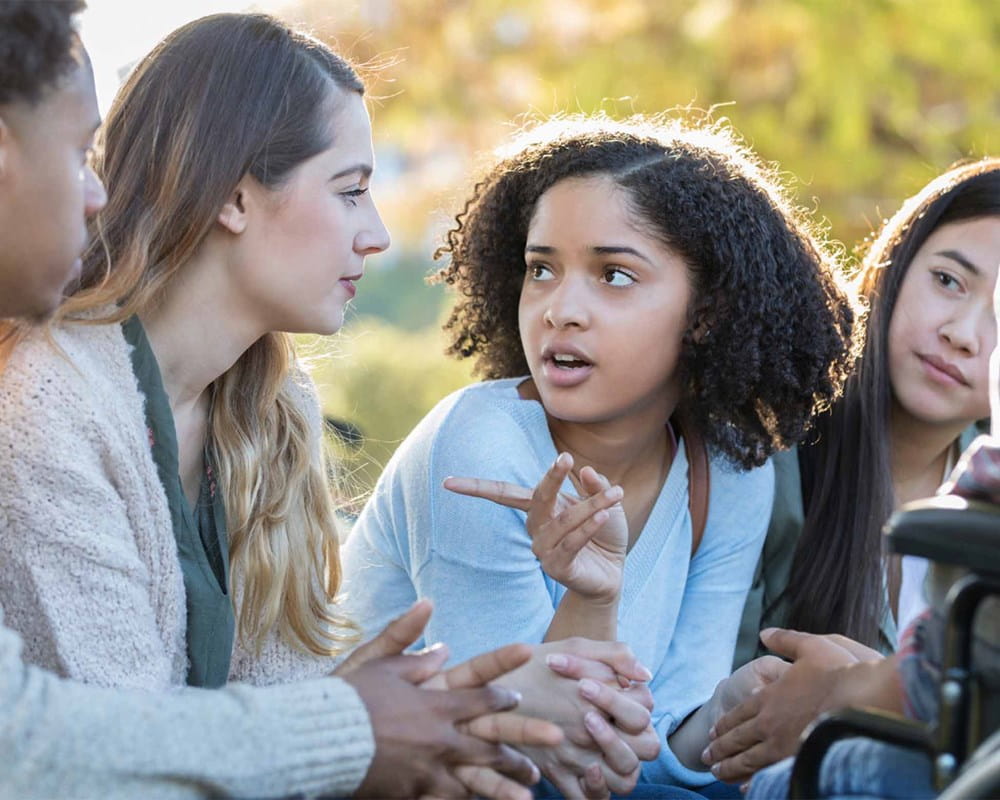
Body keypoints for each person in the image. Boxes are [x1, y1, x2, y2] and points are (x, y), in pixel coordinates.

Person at [0, 5, 566, 798]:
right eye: (350, 191)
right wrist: (356, 732)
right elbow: (120, 765)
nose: (374, 234)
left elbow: (285, 718)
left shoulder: (270, 401)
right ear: (234, 198)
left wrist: (460, 729)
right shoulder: (49, 406)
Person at [340, 114, 859, 795]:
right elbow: (524, 748)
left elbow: (666, 740)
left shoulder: (731, 469)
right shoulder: (478, 445)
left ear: (705, 311)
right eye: (541, 269)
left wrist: (730, 711)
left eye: (613, 275)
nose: (560, 309)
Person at [702, 158, 1000, 785]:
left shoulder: (986, 489)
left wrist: (856, 692)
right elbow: (702, 710)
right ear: (895, 261)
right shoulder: (765, 443)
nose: (965, 334)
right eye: (948, 280)